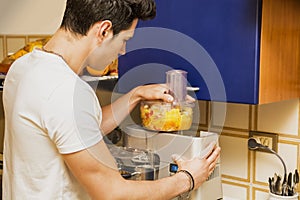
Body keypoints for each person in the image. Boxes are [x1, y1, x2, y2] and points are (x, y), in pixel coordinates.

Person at [2, 0, 221, 199]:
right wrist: (188, 179)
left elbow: (79, 132)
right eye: (125, 39)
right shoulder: (66, 90)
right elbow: (112, 193)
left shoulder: (23, 68)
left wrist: (136, 95)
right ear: (104, 30)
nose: (124, 50)